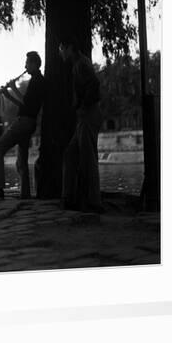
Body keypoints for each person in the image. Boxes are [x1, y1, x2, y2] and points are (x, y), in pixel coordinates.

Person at [0, 51, 46, 199]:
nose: (25, 66)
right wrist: (8, 95)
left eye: (28, 63)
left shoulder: (37, 81)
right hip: (28, 122)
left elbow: (27, 103)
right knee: (21, 161)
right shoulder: (37, 80)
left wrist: (14, 87)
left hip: (23, 123)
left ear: (35, 64)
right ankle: (25, 194)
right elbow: (26, 106)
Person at [59, 39, 104, 213]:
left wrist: (83, 106)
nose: (60, 52)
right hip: (86, 115)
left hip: (88, 114)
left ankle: (94, 202)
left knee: (88, 159)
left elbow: (94, 84)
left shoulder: (80, 64)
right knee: (70, 154)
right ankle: (70, 197)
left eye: (61, 48)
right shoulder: (80, 63)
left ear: (69, 47)